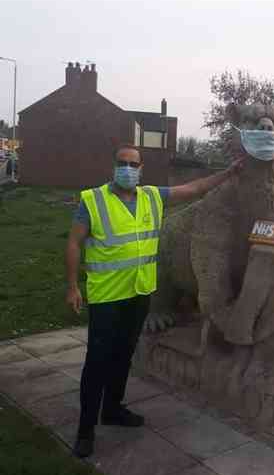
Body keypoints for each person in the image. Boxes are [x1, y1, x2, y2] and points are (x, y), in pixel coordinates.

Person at [65, 144, 243, 458]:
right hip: (107, 296)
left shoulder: (151, 196)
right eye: (122, 163)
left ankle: (113, 409)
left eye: (133, 164)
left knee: (123, 355)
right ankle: (85, 430)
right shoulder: (93, 200)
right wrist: (72, 286)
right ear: (114, 166)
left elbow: (194, 188)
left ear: (141, 168)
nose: (128, 169)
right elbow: (74, 243)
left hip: (140, 293)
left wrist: (228, 173)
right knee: (97, 362)